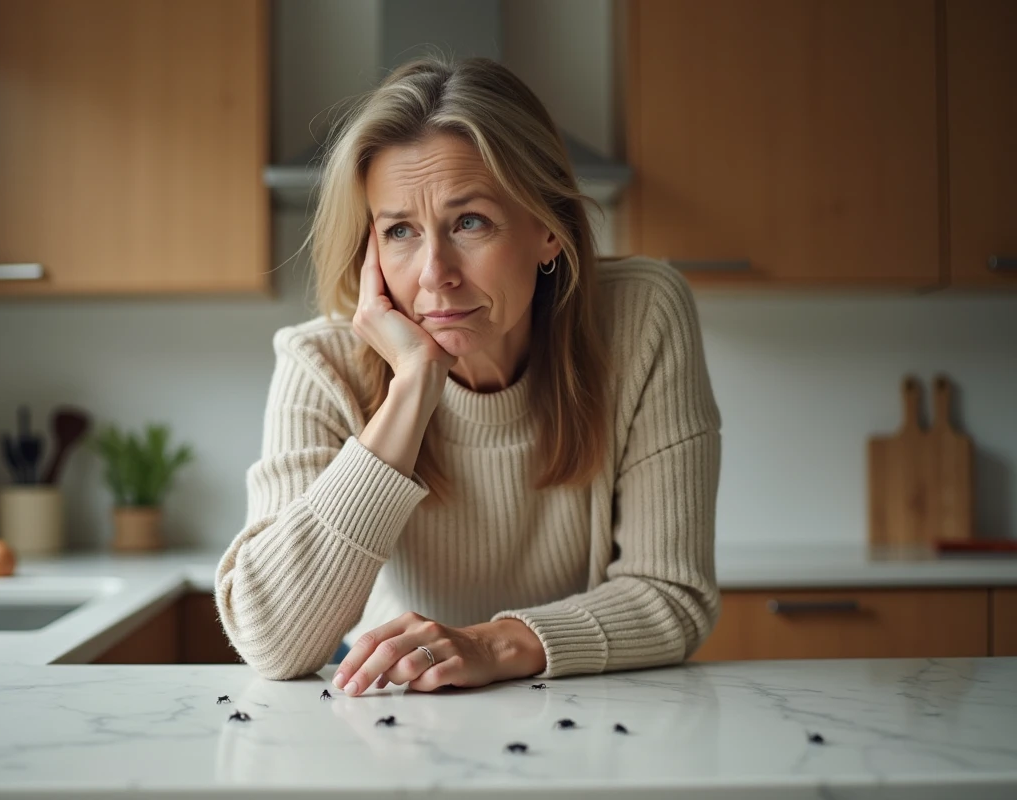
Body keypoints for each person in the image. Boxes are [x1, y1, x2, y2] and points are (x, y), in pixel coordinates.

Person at [215, 55, 721, 695]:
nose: (434, 273)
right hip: (390, 709)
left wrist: (491, 644)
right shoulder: (321, 365)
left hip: (589, 701)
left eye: (470, 222)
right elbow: (274, 641)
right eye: (400, 230)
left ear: (548, 228)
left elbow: (673, 595)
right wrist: (413, 388)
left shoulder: (641, 317)